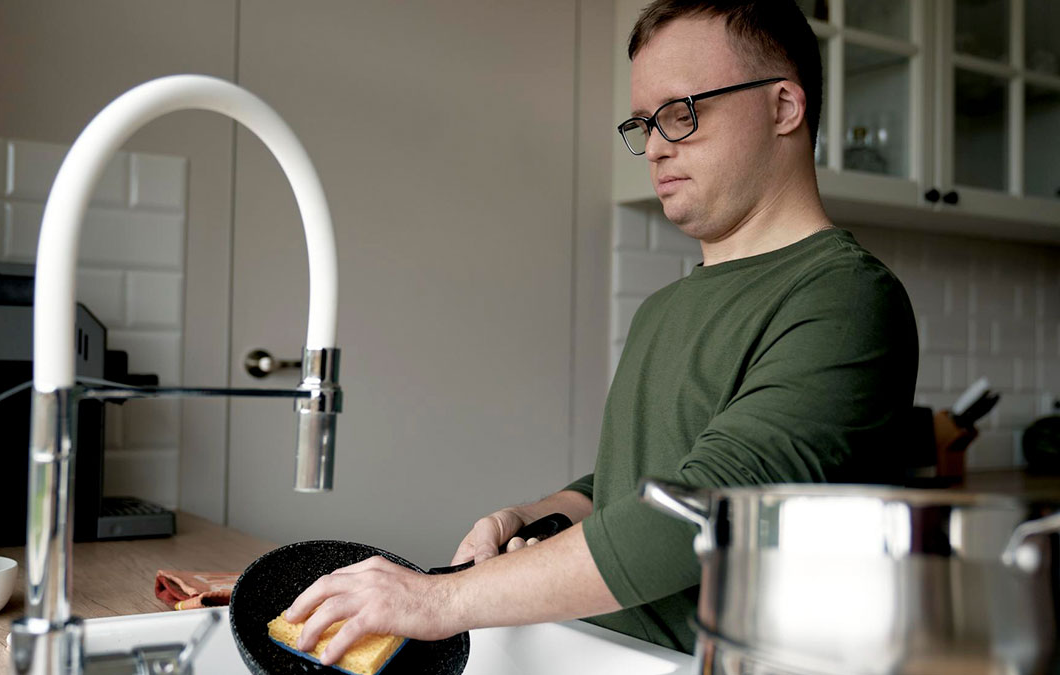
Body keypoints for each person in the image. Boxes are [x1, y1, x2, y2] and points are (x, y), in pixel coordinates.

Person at [283, 0, 918, 662]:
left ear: (785, 107)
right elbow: (638, 484)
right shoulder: (663, 308)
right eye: (645, 122)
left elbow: (696, 518)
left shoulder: (845, 298)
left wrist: (433, 599)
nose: (657, 145)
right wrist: (532, 515)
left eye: (682, 112)